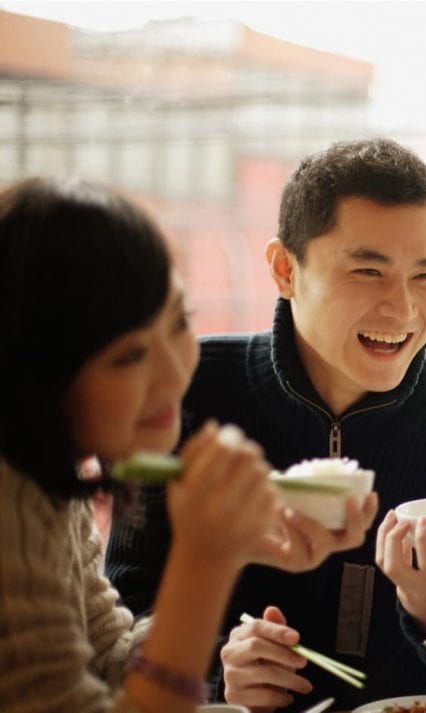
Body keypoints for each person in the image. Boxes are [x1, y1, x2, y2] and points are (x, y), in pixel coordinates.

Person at [105, 138, 426, 712]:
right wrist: (218, 667)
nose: (403, 309)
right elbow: (118, 611)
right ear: (283, 269)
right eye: (368, 270)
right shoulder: (187, 396)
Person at [0, 177, 372, 712]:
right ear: (36, 369)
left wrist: (238, 550)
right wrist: (204, 564)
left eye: (178, 324)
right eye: (129, 355)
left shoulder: (53, 475)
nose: (175, 373)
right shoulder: (11, 500)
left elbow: (106, 660)